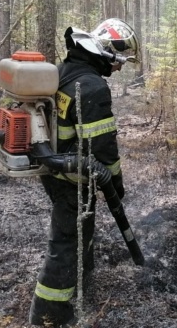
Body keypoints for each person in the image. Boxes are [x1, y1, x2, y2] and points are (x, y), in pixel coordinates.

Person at [28, 18, 140, 327]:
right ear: (107, 52)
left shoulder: (65, 70)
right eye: (120, 60)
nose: (119, 68)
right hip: (72, 179)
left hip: (56, 171)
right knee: (65, 243)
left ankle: (82, 277)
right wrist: (116, 186)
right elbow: (103, 150)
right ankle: (50, 314)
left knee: (81, 228)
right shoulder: (91, 86)